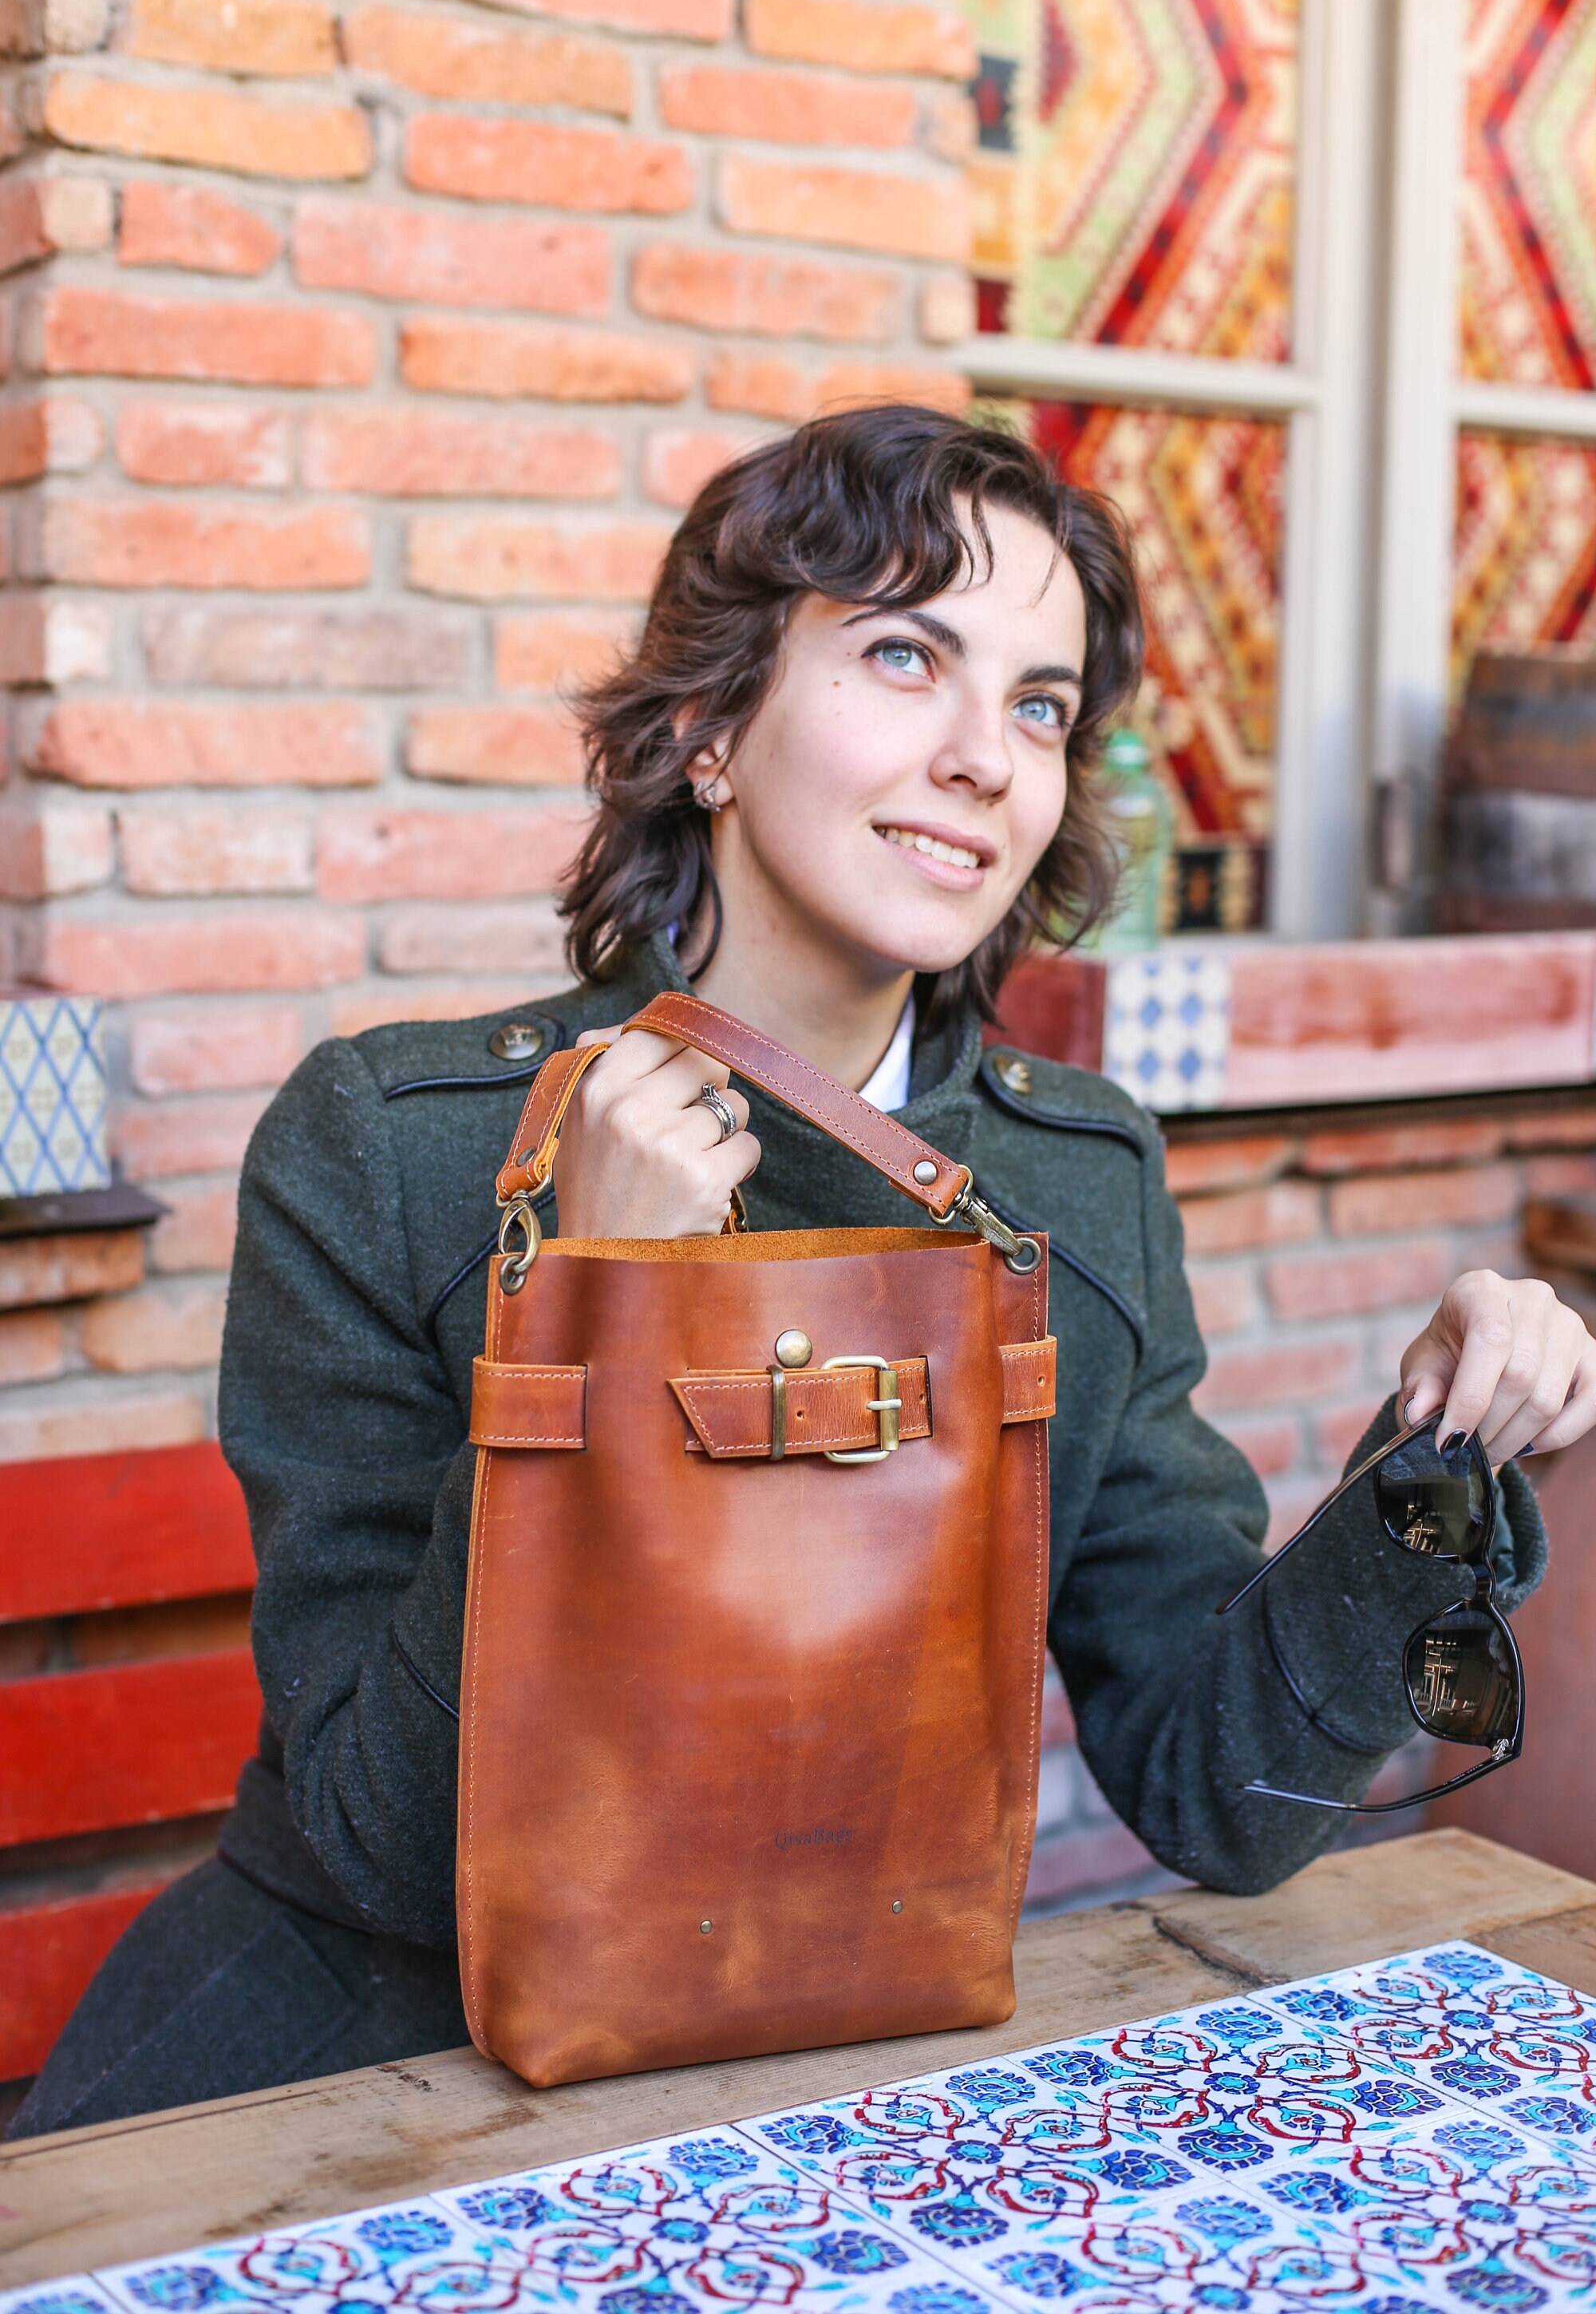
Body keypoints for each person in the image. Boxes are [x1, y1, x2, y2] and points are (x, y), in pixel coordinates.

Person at [14, 405, 1594, 2138]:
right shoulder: (393, 1147)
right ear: (708, 726)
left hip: (842, 2061)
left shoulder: (1077, 1180)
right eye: (906, 655)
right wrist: (596, 1308)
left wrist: (1434, 1466)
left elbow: (1223, 1794)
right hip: (351, 2076)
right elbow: (388, 1845)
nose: (985, 757)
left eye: (1040, 704)